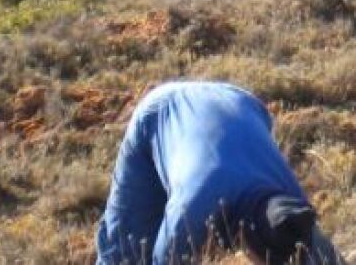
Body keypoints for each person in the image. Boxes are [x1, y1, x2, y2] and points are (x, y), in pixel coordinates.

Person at [96, 81, 342, 265]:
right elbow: (166, 258)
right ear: (250, 242)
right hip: (161, 112)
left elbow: (320, 253)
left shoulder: (292, 203)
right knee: (127, 250)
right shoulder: (193, 207)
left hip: (244, 104)